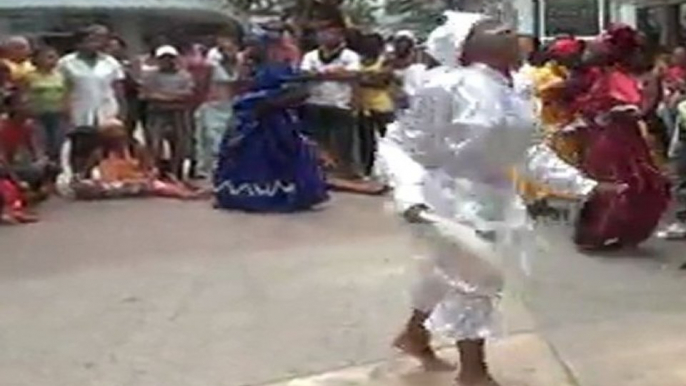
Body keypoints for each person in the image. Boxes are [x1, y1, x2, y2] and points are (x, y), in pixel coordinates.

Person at [377, 11, 536, 386]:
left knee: (445, 271)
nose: (509, 31)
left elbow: (530, 150)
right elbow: (400, 144)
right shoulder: (443, 87)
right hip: (450, 194)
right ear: (467, 49)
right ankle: (473, 372)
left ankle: (415, 334)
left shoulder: (516, 87)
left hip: (492, 194)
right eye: (494, 29)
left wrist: (584, 185)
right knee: (475, 278)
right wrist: (410, 195)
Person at [573, 24, 671, 250]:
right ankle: (599, 232)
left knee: (631, 184)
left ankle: (613, 232)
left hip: (622, 138)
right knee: (617, 183)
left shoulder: (629, 76)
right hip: (608, 138)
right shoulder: (605, 75)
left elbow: (641, 109)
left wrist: (619, 112)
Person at [214, 30, 328, 213]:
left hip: (274, 119)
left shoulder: (281, 69)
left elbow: (298, 92)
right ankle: (253, 196)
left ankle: (272, 195)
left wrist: (272, 101)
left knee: (276, 154)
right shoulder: (256, 69)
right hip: (257, 119)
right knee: (254, 156)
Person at [69, 119, 204, 200]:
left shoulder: (136, 149)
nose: (117, 138)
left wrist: (149, 175)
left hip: (137, 181)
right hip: (114, 184)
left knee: (157, 185)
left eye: (118, 133)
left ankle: (188, 193)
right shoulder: (100, 152)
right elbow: (85, 173)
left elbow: (150, 168)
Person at [300, 22, 361, 179]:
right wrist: (336, 73)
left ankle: (343, 173)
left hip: (341, 104)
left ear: (341, 36)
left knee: (343, 142)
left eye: (332, 33)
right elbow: (305, 74)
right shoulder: (310, 55)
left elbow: (353, 75)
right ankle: (319, 172)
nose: (327, 37)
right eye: (323, 33)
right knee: (317, 140)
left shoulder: (350, 56)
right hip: (315, 102)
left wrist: (321, 74)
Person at [141, 45, 194, 179]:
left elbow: (188, 94)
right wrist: (172, 97)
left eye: (170, 58)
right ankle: (156, 173)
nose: (167, 61)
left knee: (180, 144)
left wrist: (162, 96)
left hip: (178, 113)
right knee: (155, 144)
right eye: (163, 58)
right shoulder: (150, 75)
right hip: (156, 113)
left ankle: (177, 173)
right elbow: (145, 94)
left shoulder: (184, 75)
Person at [59, 25, 125, 127]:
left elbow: (118, 89)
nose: (94, 44)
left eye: (96, 41)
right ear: (79, 43)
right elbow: (63, 89)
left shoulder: (110, 62)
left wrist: (122, 112)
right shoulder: (66, 62)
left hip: (107, 109)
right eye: (89, 41)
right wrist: (65, 111)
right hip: (78, 110)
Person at [356, 33, 395, 176]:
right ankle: (367, 172)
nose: (369, 47)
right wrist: (368, 78)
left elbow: (382, 82)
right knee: (366, 143)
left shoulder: (386, 60)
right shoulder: (359, 60)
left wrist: (361, 79)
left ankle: (391, 171)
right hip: (363, 106)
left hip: (382, 106)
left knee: (388, 141)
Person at [26, 46, 68, 162]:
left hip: (57, 114)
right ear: (38, 59)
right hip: (37, 115)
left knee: (57, 143)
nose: (53, 60)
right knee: (40, 144)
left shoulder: (60, 76)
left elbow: (66, 94)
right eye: (49, 57)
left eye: (55, 57)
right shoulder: (29, 76)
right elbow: (24, 94)